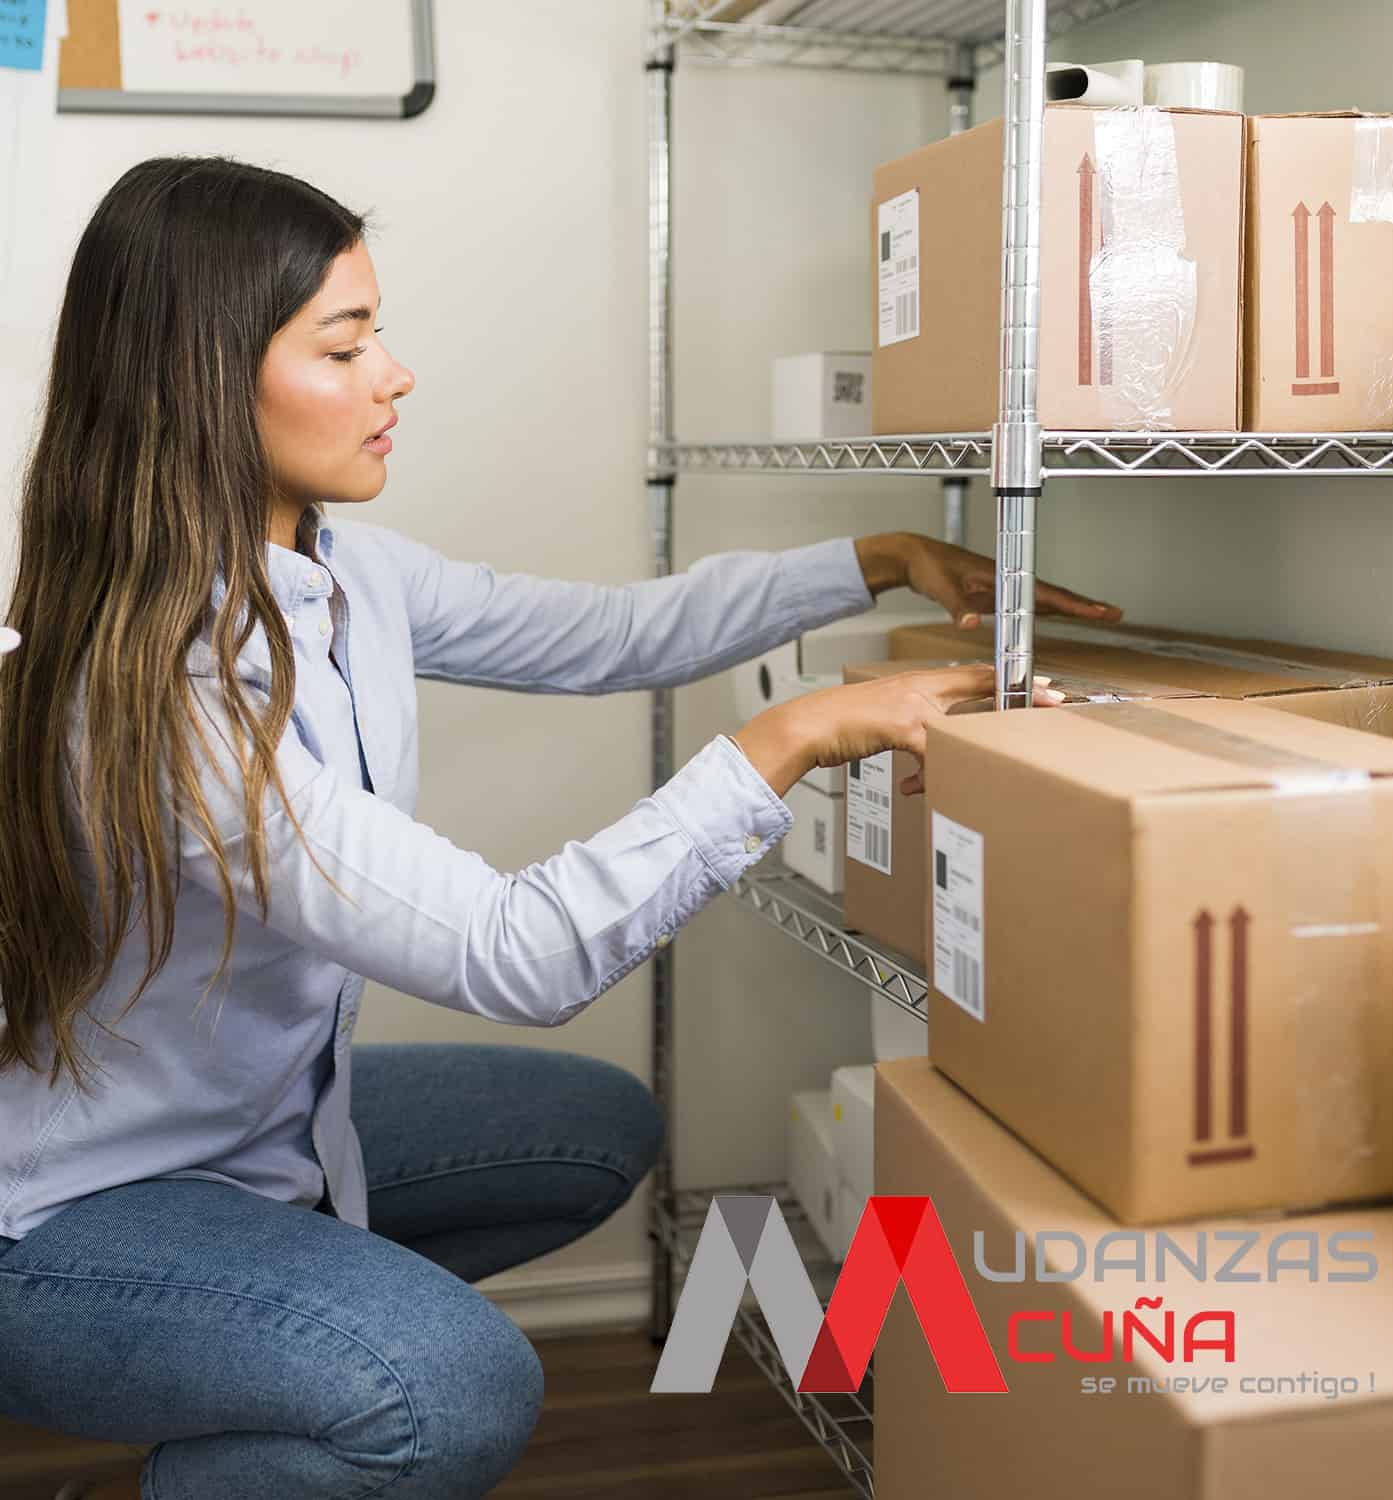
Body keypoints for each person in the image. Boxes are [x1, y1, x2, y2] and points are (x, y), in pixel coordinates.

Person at [0, 157, 1121, 1500]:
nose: (395, 375)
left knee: (588, 1127)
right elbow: (513, 952)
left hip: (255, 1138)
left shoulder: (343, 576)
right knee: (449, 1384)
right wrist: (794, 736)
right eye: (346, 345)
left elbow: (613, 636)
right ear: (200, 378)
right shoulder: (162, 687)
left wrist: (876, 557)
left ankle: (259, 1371)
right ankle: (265, 1370)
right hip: (69, 1215)